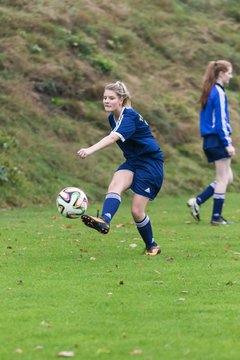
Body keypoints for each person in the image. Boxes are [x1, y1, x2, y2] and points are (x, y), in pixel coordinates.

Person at [77, 81, 164, 255]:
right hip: (133, 161)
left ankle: (152, 245)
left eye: (111, 98)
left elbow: (112, 138)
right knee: (115, 185)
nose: (106, 101)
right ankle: (104, 220)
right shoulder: (113, 118)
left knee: (137, 211)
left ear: (121, 100)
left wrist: (89, 150)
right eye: (104, 98)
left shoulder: (129, 116)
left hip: (150, 163)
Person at [187, 60, 235, 225]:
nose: (231, 76)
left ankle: (198, 201)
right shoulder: (219, 92)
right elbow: (220, 121)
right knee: (222, 178)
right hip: (217, 138)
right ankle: (216, 217)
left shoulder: (210, 91)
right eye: (229, 72)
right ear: (221, 73)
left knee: (228, 177)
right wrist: (227, 142)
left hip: (209, 140)